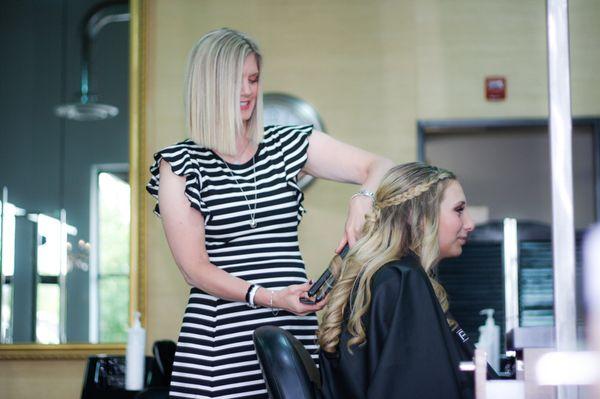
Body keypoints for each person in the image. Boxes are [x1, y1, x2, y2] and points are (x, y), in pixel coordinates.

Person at [146, 28, 394, 399]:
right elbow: (194, 269)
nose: (248, 91)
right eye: (237, 81)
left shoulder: (287, 144)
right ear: (207, 85)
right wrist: (272, 297)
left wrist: (363, 198)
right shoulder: (181, 163)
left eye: (254, 79)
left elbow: (382, 166)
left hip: (290, 336)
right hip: (221, 347)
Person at [318, 162, 477, 399]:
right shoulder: (403, 281)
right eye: (459, 210)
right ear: (419, 216)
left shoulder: (382, 278)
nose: (470, 223)